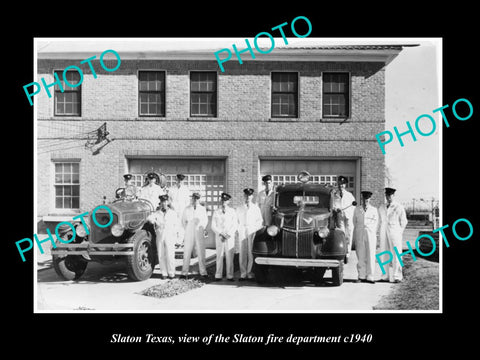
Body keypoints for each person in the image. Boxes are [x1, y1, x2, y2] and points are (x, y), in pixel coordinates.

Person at [378, 187, 408, 283]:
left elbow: (404, 221)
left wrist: (399, 232)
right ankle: (385, 276)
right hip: (384, 232)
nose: (388, 197)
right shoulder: (382, 207)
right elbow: (379, 221)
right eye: (387, 195)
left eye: (390, 195)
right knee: (384, 254)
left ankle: (397, 276)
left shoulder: (398, 207)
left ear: (393, 195)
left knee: (396, 254)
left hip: (394, 232)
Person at [147, 194, 179, 280]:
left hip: (169, 235)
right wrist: (155, 222)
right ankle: (164, 273)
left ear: (168, 202)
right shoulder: (157, 213)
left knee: (170, 254)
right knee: (161, 254)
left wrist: (175, 237)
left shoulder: (173, 213)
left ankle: (171, 273)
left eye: (165, 201)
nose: (164, 203)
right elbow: (149, 218)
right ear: (160, 203)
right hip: (160, 234)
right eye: (162, 202)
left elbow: (176, 225)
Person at [236, 188, 263, 281]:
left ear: (252, 196)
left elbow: (260, 221)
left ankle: (250, 273)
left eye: (249, 195)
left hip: (252, 230)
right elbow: (236, 221)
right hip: (242, 229)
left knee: (251, 252)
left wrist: (255, 229)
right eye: (246, 195)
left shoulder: (256, 208)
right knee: (242, 252)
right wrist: (238, 229)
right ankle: (243, 273)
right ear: (244, 196)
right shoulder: (239, 208)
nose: (248, 197)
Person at [352, 191, 379, 284]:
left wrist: (371, 231)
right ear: (362, 199)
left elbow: (376, 223)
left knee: (371, 254)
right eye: (364, 198)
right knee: (360, 255)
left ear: (370, 199)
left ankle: (370, 276)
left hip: (370, 235)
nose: (365, 200)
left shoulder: (374, 210)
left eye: (367, 199)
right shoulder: (357, 209)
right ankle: (361, 275)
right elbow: (354, 222)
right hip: (360, 234)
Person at [181, 192, 209, 279]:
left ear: (199, 199)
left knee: (201, 251)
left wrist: (202, 227)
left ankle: (203, 272)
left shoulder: (202, 209)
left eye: (197, 198)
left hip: (199, 230)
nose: (195, 200)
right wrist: (188, 228)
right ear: (192, 198)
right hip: (189, 230)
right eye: (194, 198)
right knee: (187, 251)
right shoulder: (187, 208)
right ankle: (184, 272)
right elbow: (183, 221)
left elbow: (205, 220)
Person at [211, 192, 238, 282]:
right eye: (222, 200)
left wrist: (228, 234)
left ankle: (230, 275)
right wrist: (220, 233)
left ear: (228, 201)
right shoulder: (216, 211)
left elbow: (235, 225)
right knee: (219, 255)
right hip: (219, 237)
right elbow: (213, 225)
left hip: (229, 237)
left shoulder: (232, 211)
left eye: (226, 200)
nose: (224, 202)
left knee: (229, 256)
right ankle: (218, 275)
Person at [330, 175, 356, 258]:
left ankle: (347, 253)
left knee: (349, 234)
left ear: (345, 185)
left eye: (343, 184)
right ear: (338, 184)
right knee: (342, 233)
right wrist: (336, 209)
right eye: (340, 184)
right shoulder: (335, 195)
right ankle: (342, 251)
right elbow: (332, 205)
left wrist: (348, 212)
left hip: (348, 217)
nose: (341, 186)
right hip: (339, 216)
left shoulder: (349, 195)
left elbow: (353, 206)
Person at [168, 174, 191, 247]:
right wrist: (171, 206)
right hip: (173, 209)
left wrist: (186, 211)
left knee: (181, 226)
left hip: (182, 209)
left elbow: (187, 201)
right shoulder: (172, 188)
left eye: (181, 181)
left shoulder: (186, 189)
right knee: (174, 225)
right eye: (178, 180)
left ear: (183, 181)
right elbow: (169, 199)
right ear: (176, 180)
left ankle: (179, 242)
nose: (179, 182)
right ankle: (174, 241)